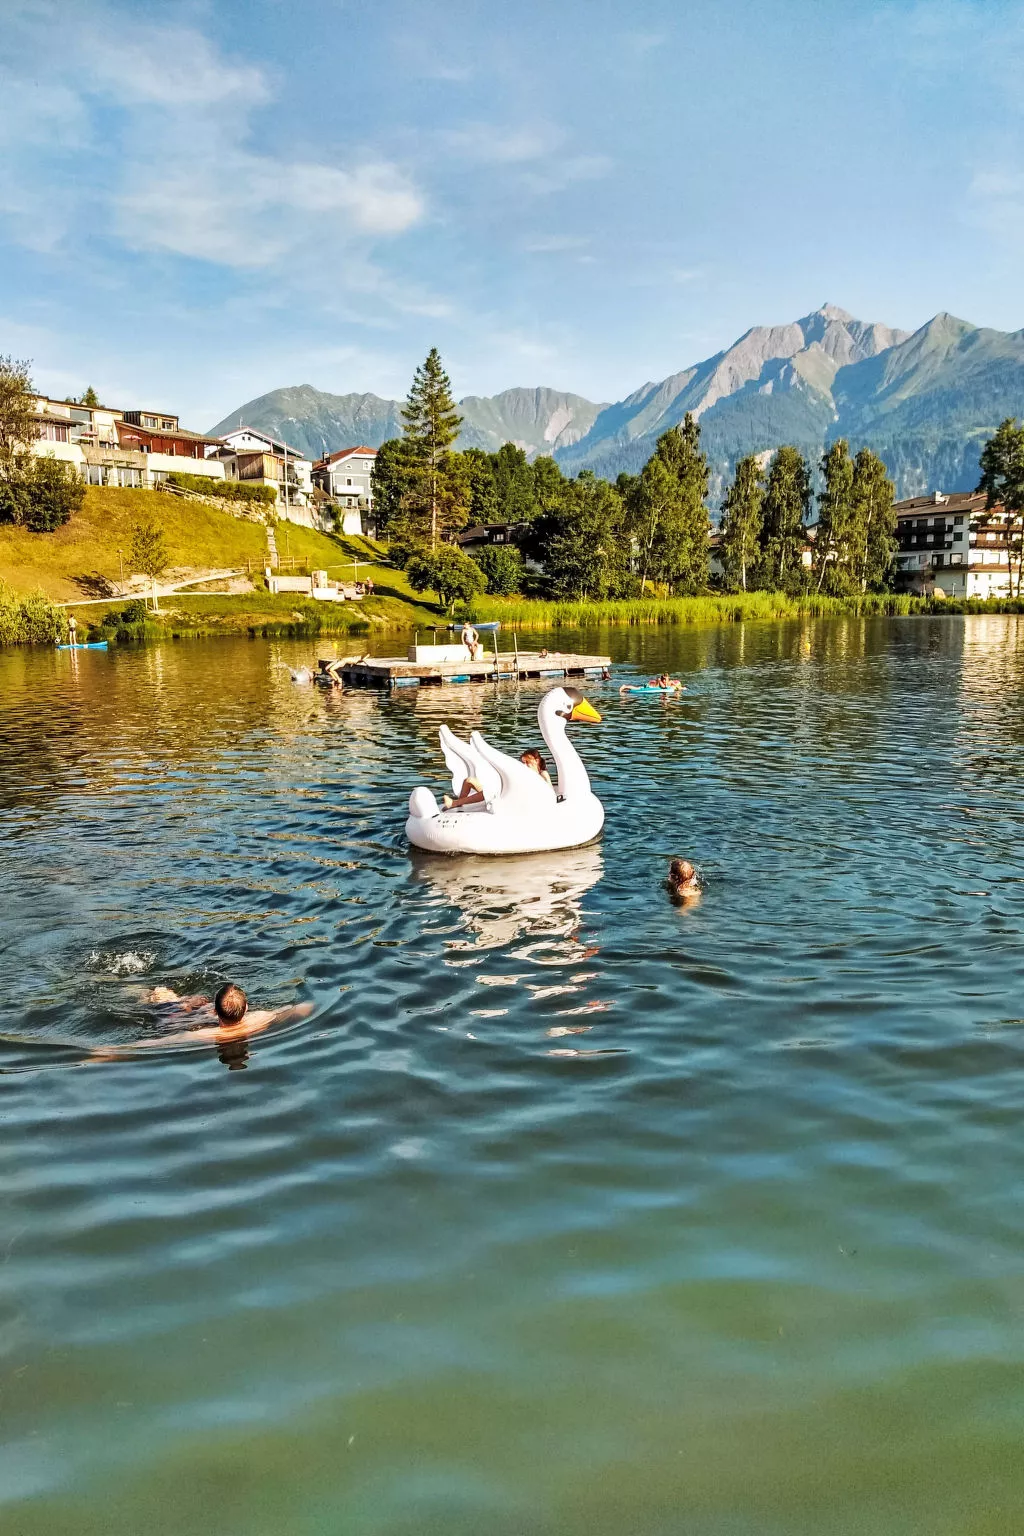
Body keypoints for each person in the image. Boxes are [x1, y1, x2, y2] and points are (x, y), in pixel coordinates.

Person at [105, 984, 313, 1054]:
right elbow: (300, 1008)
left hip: (169, 1019)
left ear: (215, 1010)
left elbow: (154, 1042)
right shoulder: (260, 1019)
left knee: (159, 993)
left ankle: (129, 988)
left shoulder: (208, 1035)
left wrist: (107, 1052)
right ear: (247, 1008)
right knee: (186, 1004)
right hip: (198, 1016)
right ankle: (187, 1003)